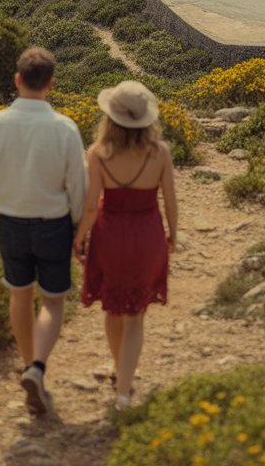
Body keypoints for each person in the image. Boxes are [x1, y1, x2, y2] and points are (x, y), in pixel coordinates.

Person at [0, 47, 87, 416]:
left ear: (17, 80)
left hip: (11, 223)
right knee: (53, 301)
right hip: (54, 225)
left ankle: (28, 366)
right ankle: (38, 367)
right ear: (51, 84)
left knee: (19, 296)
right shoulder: (65, 127)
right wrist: (81, 230)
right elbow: (77, 186)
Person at [74, 81, 178, 411]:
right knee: (136, 316)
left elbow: (91, 206)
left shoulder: (99, 154)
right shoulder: (160, 153)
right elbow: (170, 200)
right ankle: (124, 388)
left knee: (112, 307)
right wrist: (172, 234)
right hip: (148, 235)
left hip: (110, 236)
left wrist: (79, 238)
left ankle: (120, 373)